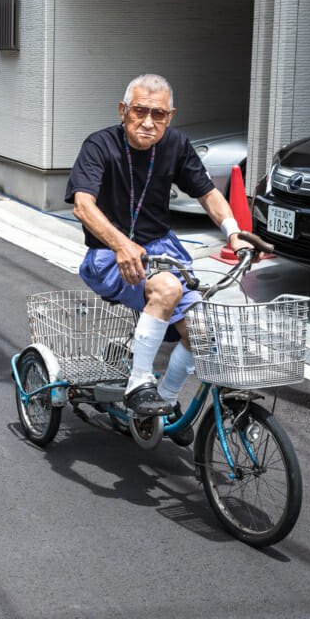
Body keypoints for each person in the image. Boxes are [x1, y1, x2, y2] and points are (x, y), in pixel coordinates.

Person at [65, 74, 253, 440]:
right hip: (108, 253)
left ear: (170, 116)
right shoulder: (99, 145)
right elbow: (83, 206)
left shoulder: (176, 144)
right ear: (123, 111)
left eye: (159, 114)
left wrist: (234, 232)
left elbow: (208, 193)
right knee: (167, 288)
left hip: (161, 250)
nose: (148, 122)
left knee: (201, 332)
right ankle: (139, 383)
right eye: (139, 111)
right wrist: (121, 244)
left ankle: (162, 405)